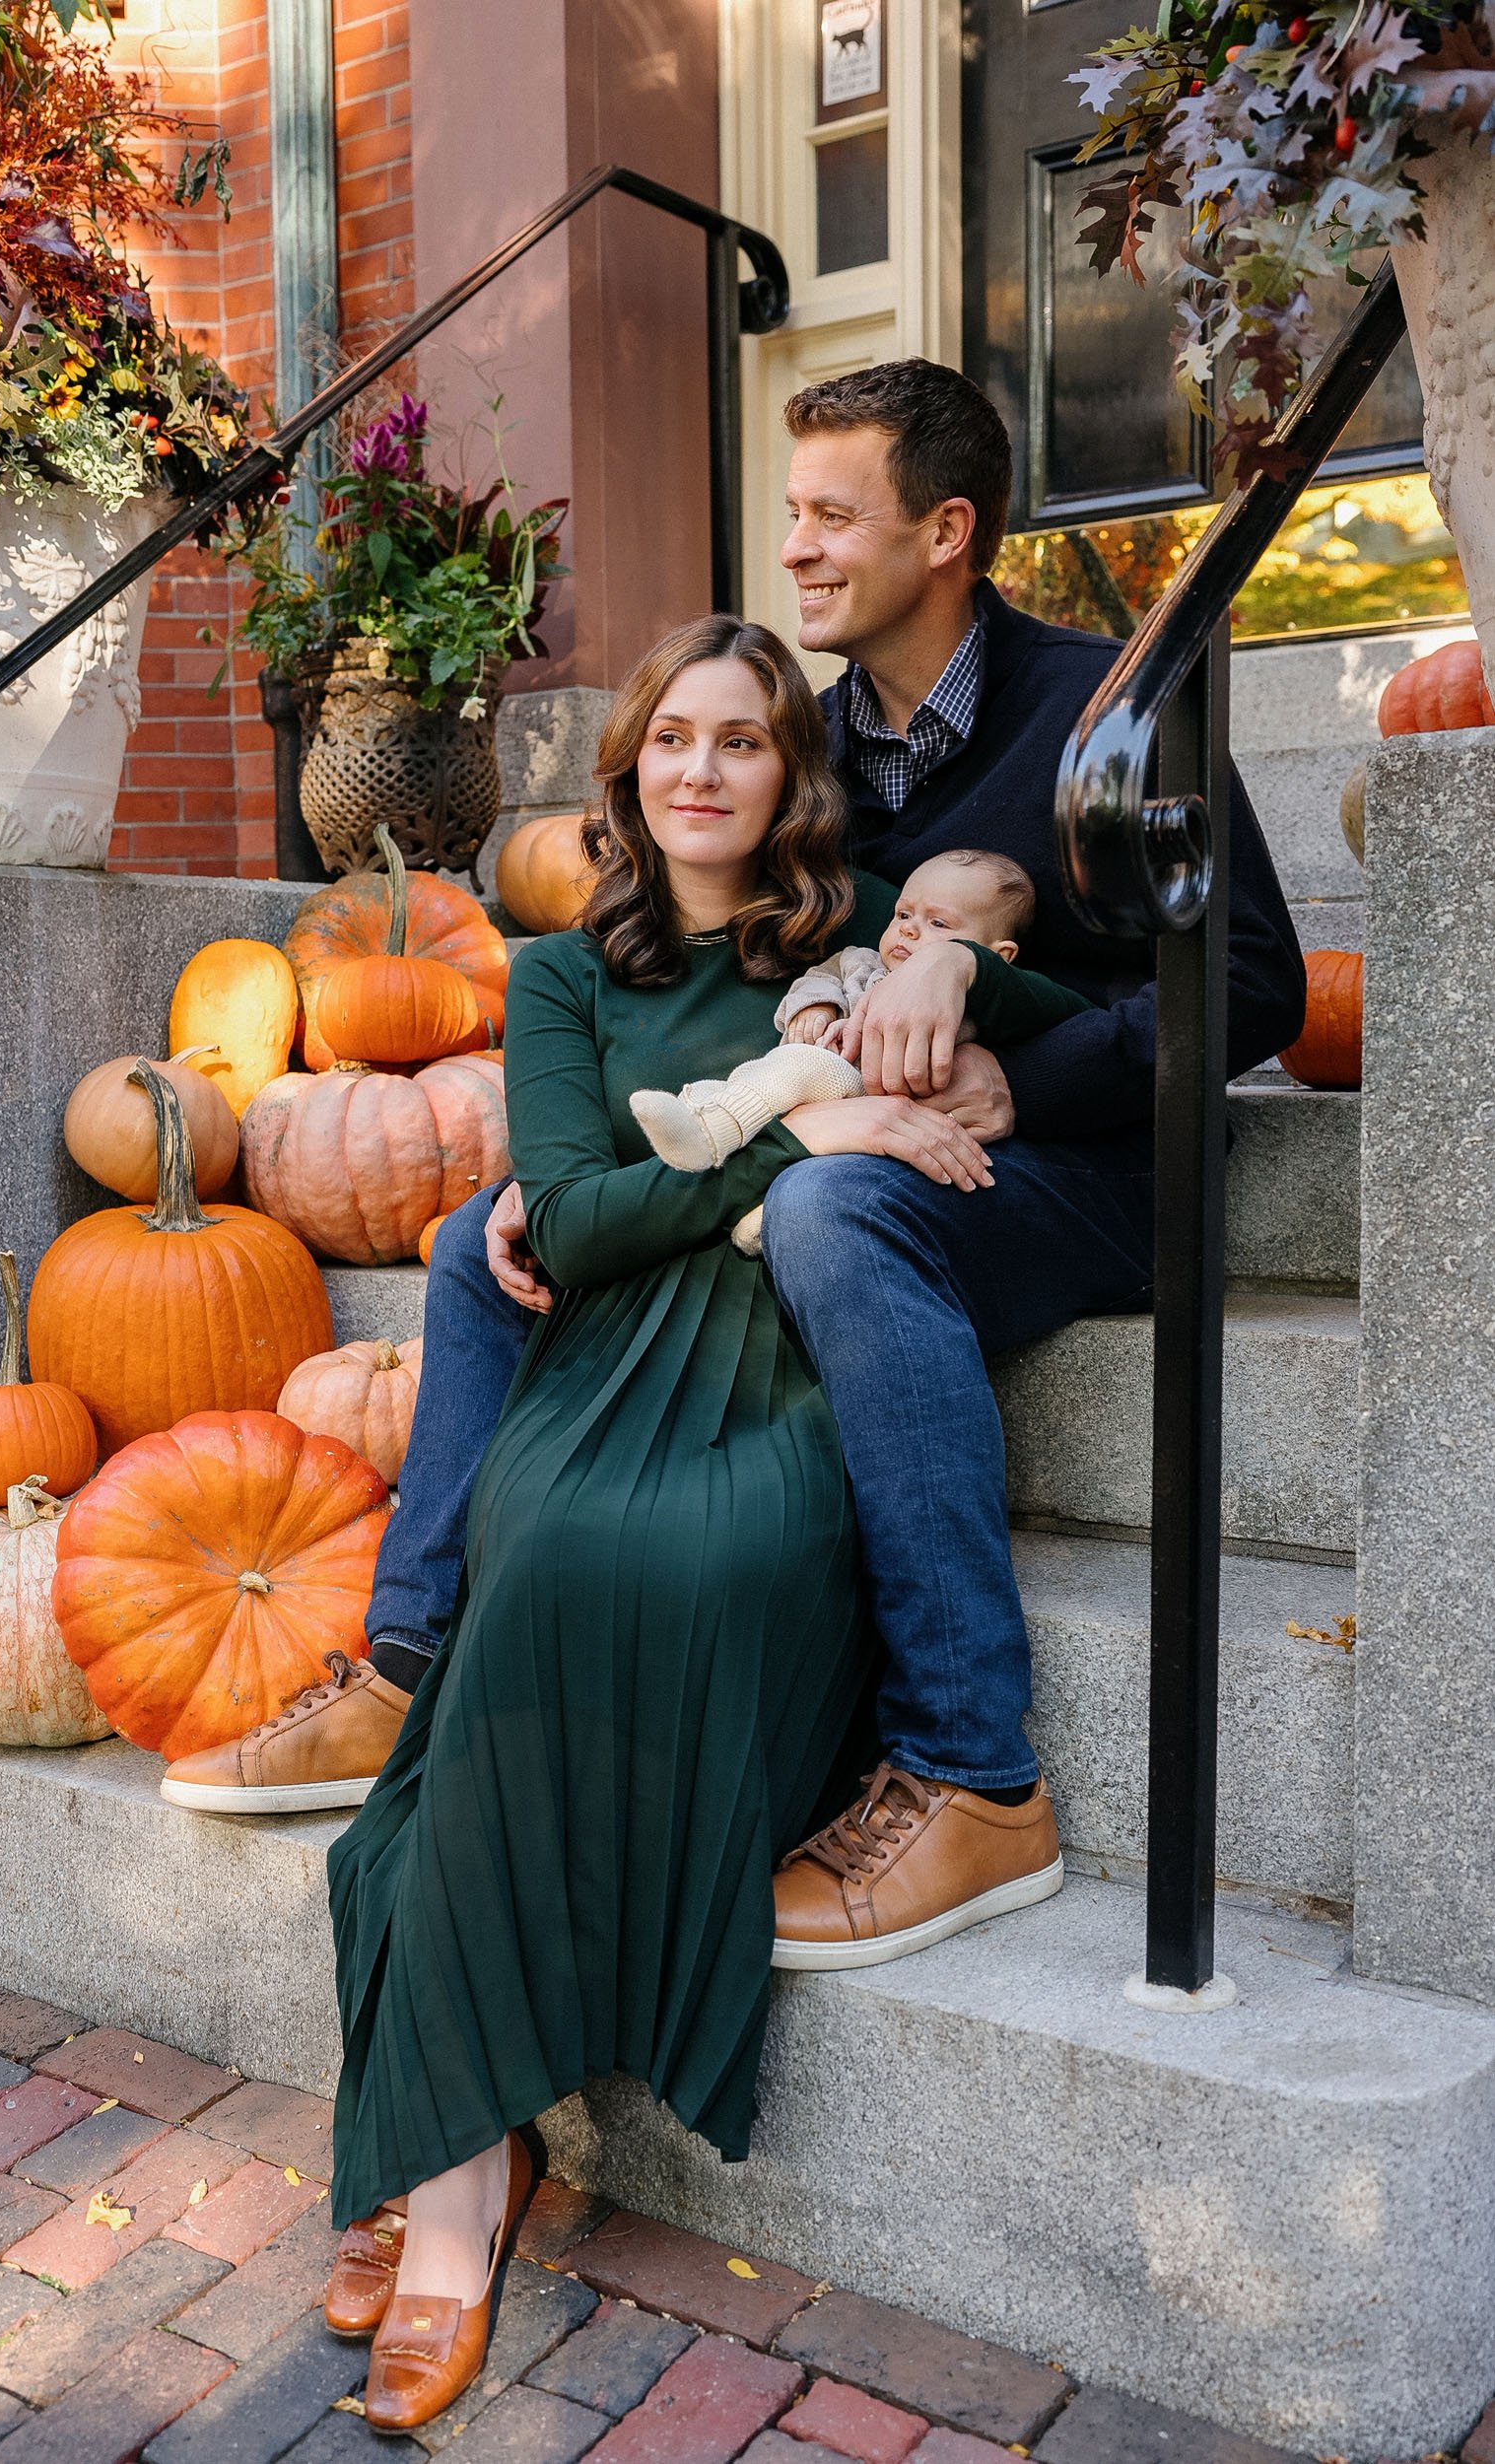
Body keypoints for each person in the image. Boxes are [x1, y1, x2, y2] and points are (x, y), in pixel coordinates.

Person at [165, 358, 1303, 1975]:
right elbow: (735, 992)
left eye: (832, 516)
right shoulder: (808, 740)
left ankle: (976, 1773)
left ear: (947, 532)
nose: (800, 548)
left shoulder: (1108, 709)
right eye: (793, 514)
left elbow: (1251, 982)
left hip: (1088, 1173)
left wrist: (1007, 1070)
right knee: (484, 1241)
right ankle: (413, 1659)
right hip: (833, 1142)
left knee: (833, 1208)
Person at [319, 620, 1048, 2435]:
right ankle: (465, 2166)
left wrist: (956, 991)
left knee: (689, 1565)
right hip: (619, 1350)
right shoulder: (566, 976)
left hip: (794, 1370)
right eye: (671, 743)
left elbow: (1041, 1033)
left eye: (743, 741)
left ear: (793, 775)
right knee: (552, 1550)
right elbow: (563, 1225)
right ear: (630, 777)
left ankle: (422, 2124)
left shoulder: (863, 932)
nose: (705, 770)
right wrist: (819, 1134)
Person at [628, 850, 1088, 1258]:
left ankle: (712, 1126)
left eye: (938, 923)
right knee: (796, 1098)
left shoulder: (966, 998)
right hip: (841, 1095)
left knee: (799, 1071)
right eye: (903, 913)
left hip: (882, 1091)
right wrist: (817, 1006)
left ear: (997, 956)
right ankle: (725, 1152)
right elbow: (818, 977)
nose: (909, 928)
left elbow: (1054, 1014)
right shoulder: (859, 961)